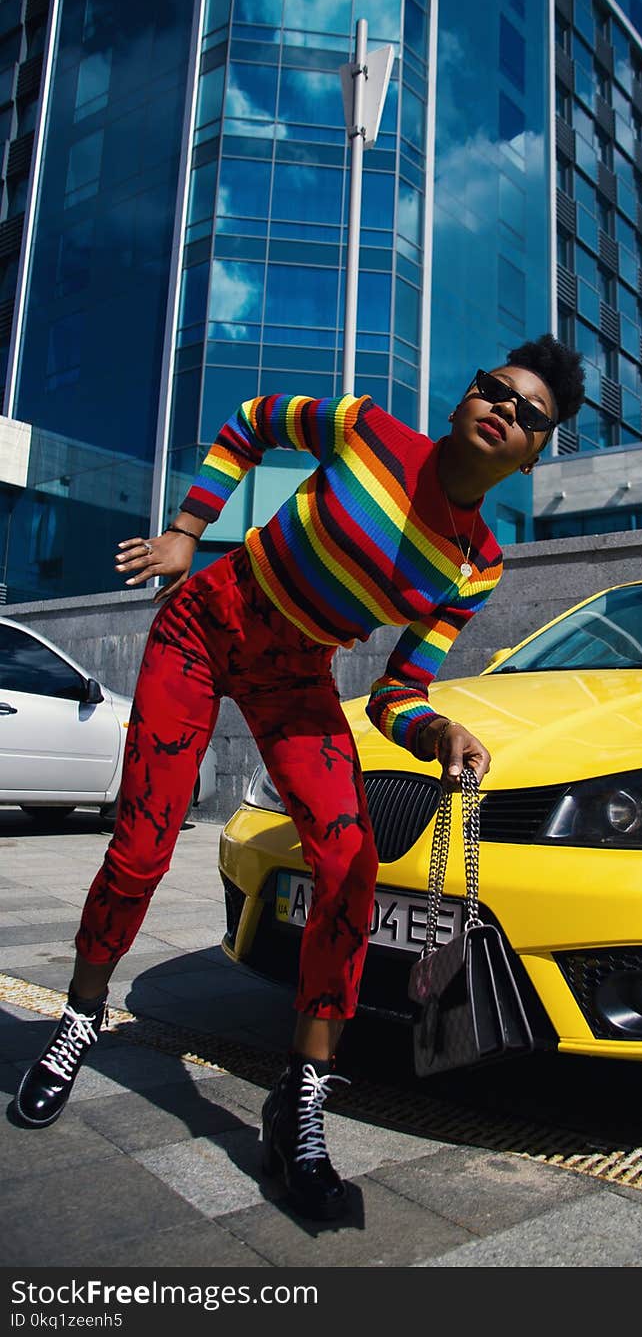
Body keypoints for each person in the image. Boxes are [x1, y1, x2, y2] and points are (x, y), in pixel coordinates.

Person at [14, 332, 585, 1220]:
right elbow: (251, 423)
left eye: (529, 415)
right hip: (204, 627)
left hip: (296, 678)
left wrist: (437, 729)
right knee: (142, 849)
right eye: (494, 390)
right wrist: (187, 531)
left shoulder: (478, 565)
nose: (505, 409)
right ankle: (80, 1015)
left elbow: (400, 690)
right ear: (461, 400)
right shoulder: (367, 431)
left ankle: (303, 1098)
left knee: (353, 864)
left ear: (532, 457)